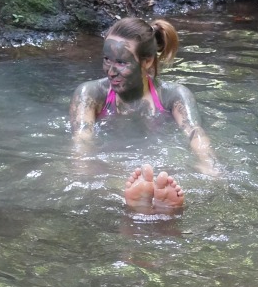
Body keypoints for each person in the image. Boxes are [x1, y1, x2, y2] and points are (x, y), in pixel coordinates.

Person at [69, 17, 216, 210]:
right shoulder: (91, 94)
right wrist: (83, 172)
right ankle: (141, 202)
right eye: (107, 59)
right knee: (102, 183)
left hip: (159, 171)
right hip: (114, 171)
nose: (110, 71)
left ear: (147, 61)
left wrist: (208, 166)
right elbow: (82, 139)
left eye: (121, 62)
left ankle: (154, 202)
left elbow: (195, 134)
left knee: (164, 185)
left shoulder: (173, 95)